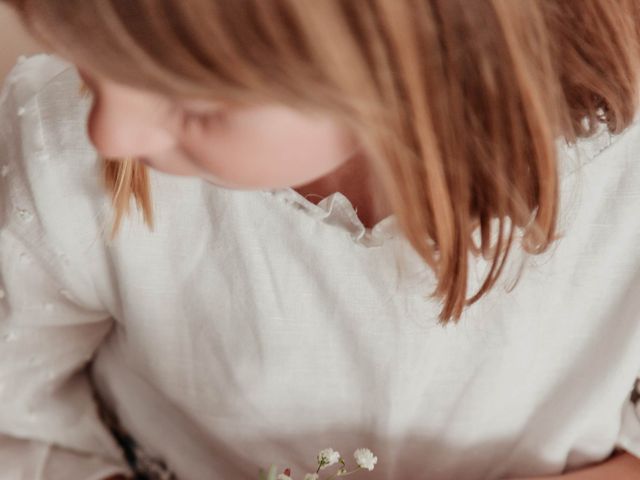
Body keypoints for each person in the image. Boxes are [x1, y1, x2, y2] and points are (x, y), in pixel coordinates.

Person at [2, 0, 640, 479]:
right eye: (90, 61)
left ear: (404, 59)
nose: (109, 133)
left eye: (192, 105)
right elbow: (18, 422)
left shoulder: (620, 187)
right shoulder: (65, 164)